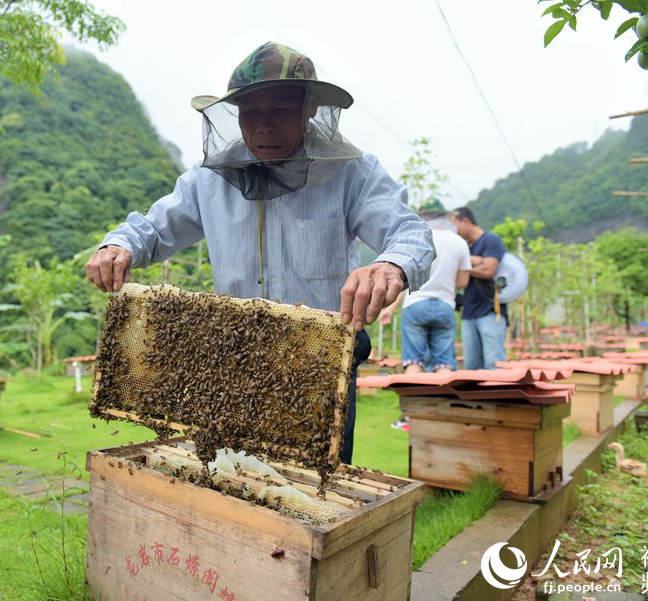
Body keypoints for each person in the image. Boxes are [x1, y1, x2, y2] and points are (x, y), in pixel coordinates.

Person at [85, 41, 435, 464]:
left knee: (314, 495)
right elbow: (152, 228)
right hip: (233, 363)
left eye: (281, 111)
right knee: (238, 487)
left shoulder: (351, 173)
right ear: (235, 115)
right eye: (252, 112)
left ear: (308, 109)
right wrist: (118, 244)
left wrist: (390, 263)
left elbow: (410, 232)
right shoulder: (207, 180)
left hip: (318, 364)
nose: (264, 126)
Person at [380, 208, 470, 430]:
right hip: (444, 306)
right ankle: (447, 414)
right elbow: (463, 282)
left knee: (414, 362)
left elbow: (404, 278)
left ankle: (409, 418)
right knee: (444, 362)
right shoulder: (459, 242)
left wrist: (390, 309)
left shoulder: (417, 239)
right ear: (447, 220)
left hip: (415, 305)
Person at [449, 207, 507, 369]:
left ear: (465, 221)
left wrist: (465, 267)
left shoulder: (491, 240)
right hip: (469, 311)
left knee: (493, 363)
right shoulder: (464, 246)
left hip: (490, 310)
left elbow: (488, 270)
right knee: (472, 366)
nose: (453, 231)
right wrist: (475, 262)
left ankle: (498, 394)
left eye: (455, 225)